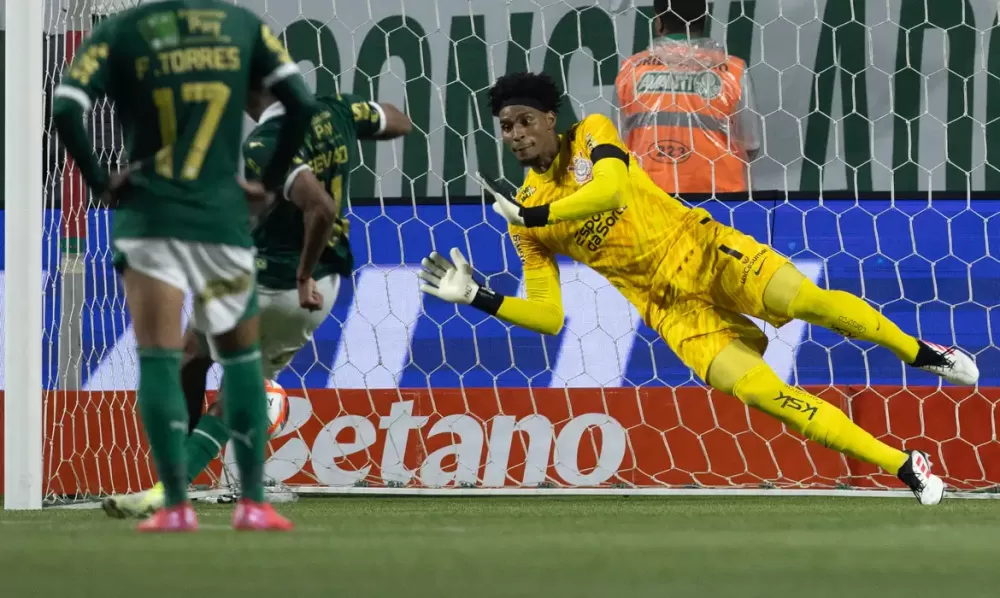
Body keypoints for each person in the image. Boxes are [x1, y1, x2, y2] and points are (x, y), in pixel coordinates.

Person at [419, 72, 979, 505]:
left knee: (806, 301)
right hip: (668, 308)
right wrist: (478, 297)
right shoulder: (522, 216)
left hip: (705, 249)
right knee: (762, 394)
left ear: (549, 118)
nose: (516, 135)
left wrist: (539, 214)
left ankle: (920, 352)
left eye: (524, 121)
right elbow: (549, 317)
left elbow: (611, 191)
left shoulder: (590, 134)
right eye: (506, 128)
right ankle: (904, 465)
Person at [52, 0, 317, 531]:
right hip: (219, 216)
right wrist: (268, 184)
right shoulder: (242, 26)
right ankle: (253, 504)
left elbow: (65, 108)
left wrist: (101, 181)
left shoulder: (122, 29)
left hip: (150, 216)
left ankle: (175, 506)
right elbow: (301, 103)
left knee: (158, 357)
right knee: (242, 361)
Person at [100, 89, 413, 519]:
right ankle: (182, 474)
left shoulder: (266, 141)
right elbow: (399, 121)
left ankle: (171, 485)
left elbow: (320, 207)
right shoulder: (334, 110)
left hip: (278, 284)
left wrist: (302, 275)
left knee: (203, 367)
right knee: (198, 359)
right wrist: (348, 130)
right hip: (309, 284)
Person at [615, 0, 760, 195]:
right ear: (704, 20)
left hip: (650, 198)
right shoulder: (733, 70)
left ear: (659, 21)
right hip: (720, 198)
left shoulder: (630, 70)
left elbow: (616, 142)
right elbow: (751, 144)